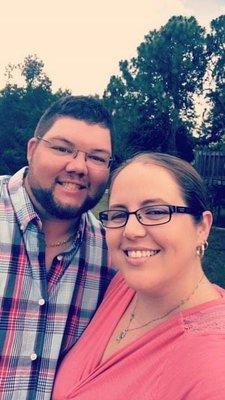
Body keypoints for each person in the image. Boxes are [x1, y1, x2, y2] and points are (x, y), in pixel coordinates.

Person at [53, 152, 225, 400]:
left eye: (155, 212)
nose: (131, 230)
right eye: (119, 214)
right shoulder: (121, 286)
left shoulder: (213, 369)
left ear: (202, 227)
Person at [0, 95, 116, 399]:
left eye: (96, 157)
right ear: (33, 150)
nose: (79, 167)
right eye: (63, 148)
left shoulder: (112, 255)